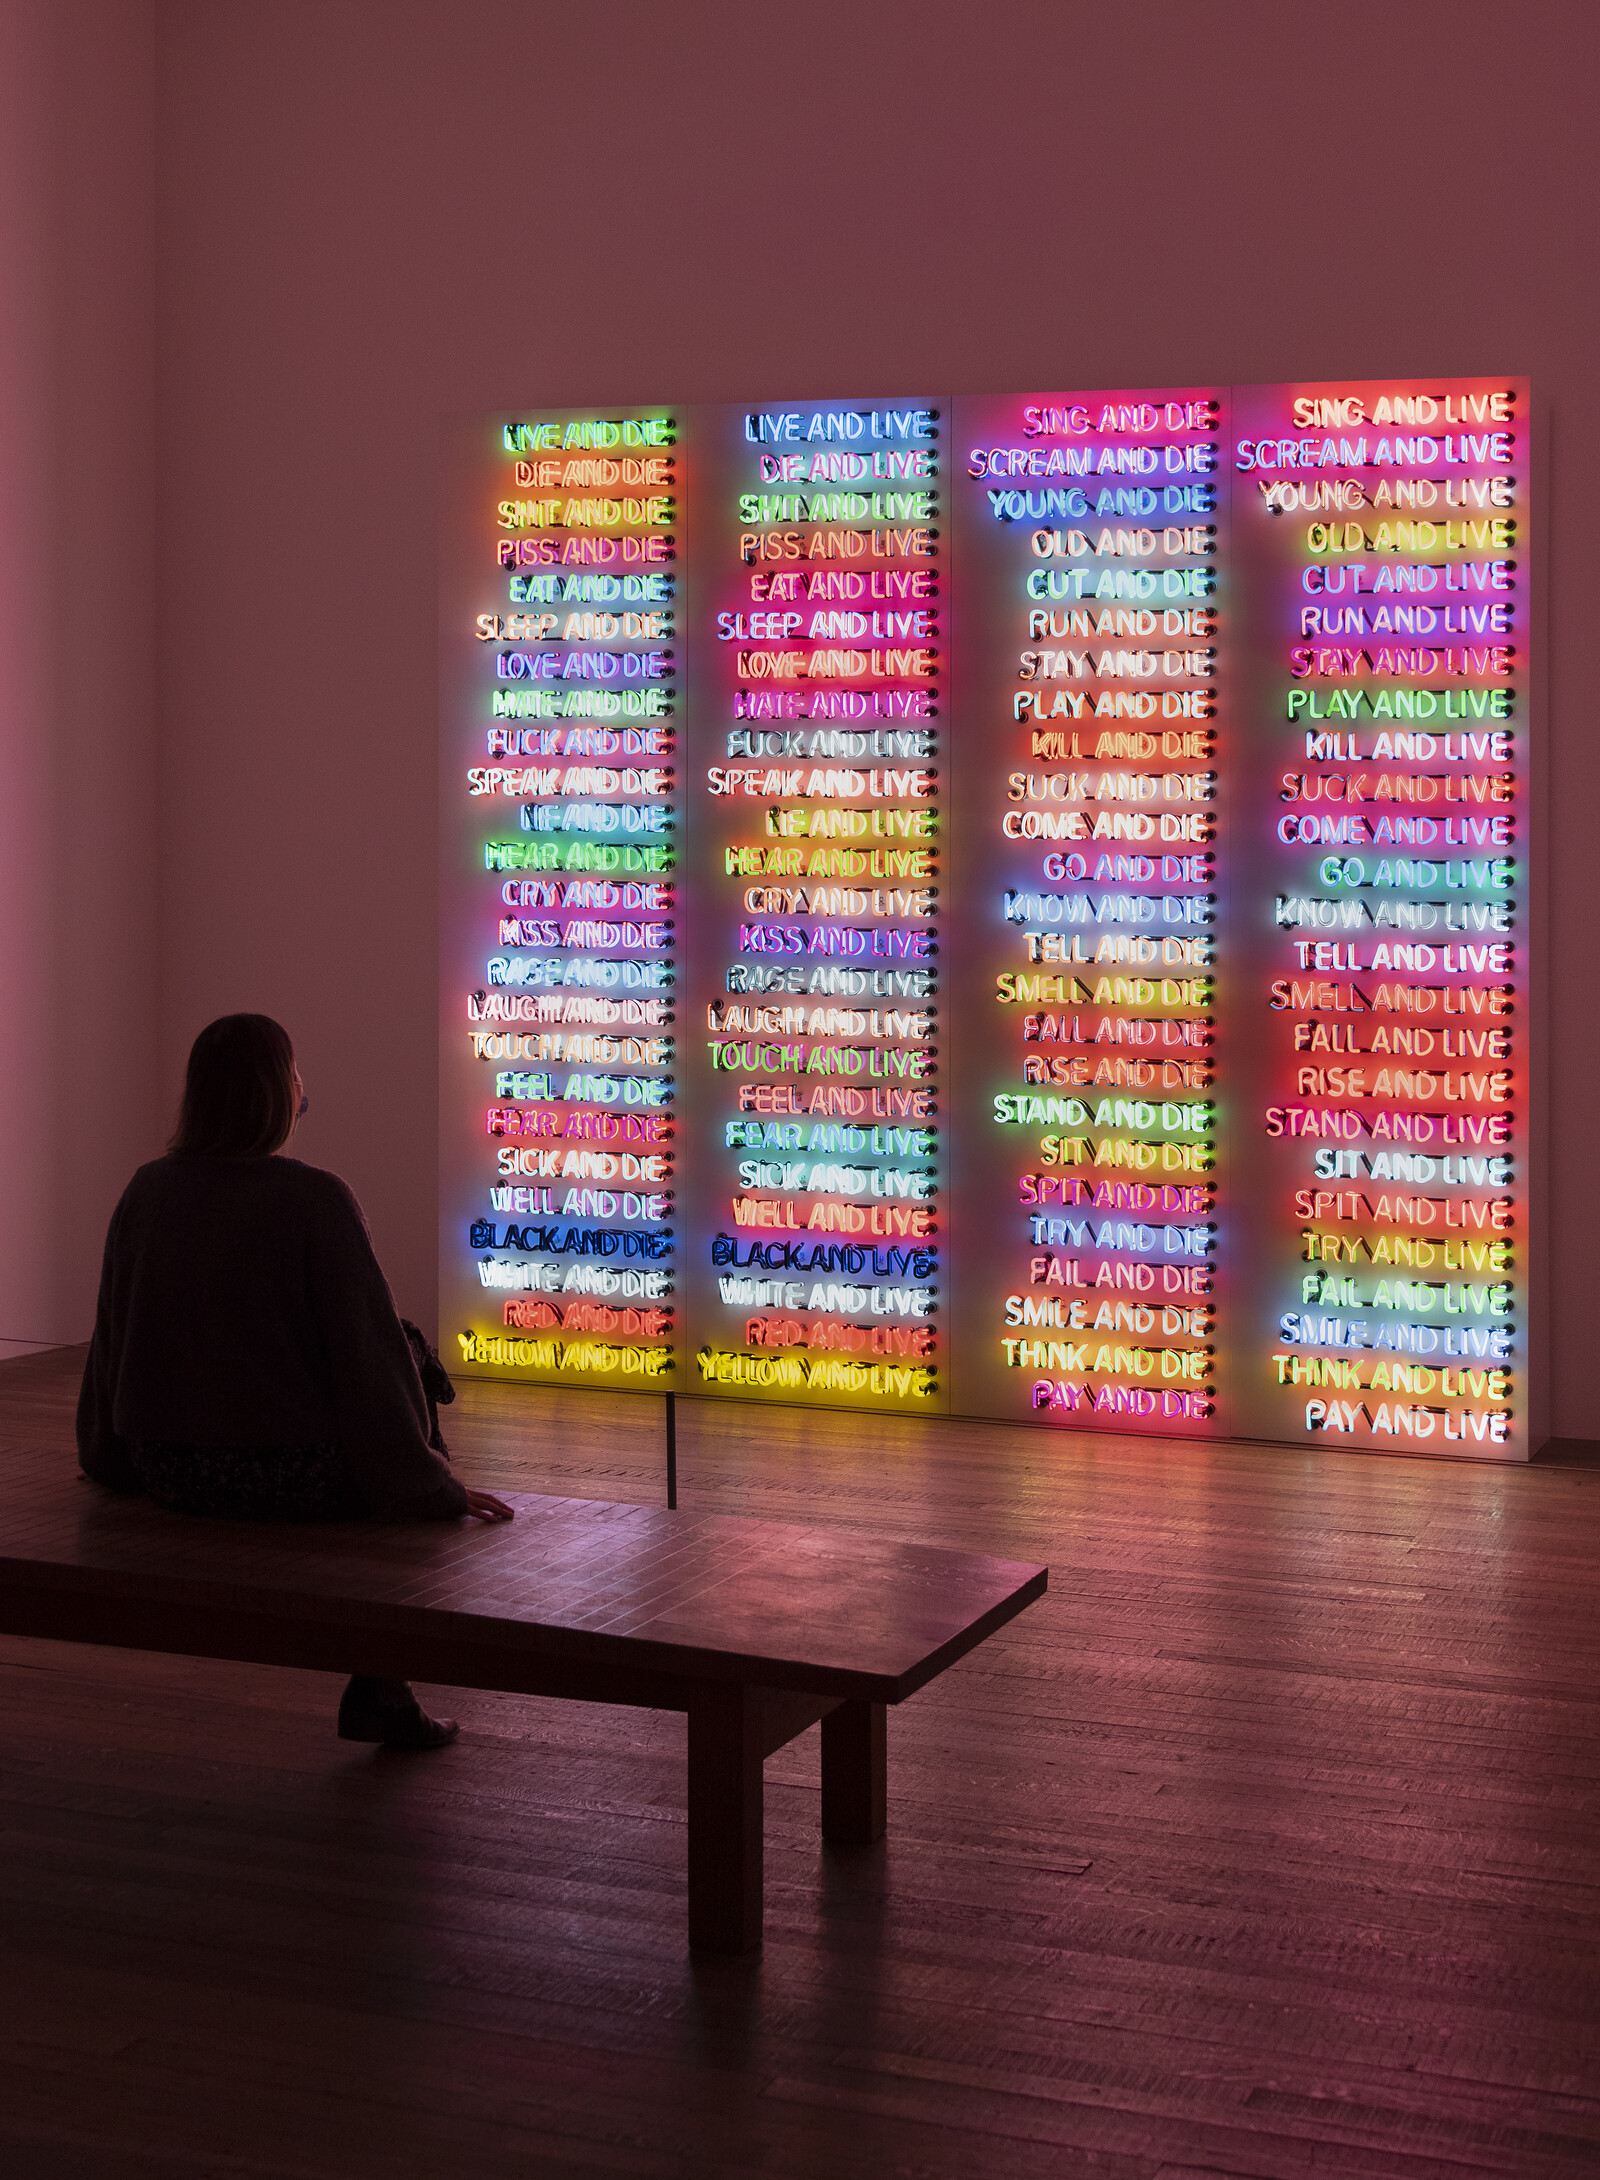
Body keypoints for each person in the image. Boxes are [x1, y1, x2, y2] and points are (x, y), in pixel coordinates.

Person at [76, 1013, 514, 1750]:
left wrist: (109, 1454)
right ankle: (384, 1687)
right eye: (296, 1075)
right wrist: (430, 1485)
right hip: (286, 1472)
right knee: (410, 1353)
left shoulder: (147, 1189)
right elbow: (369, 1363)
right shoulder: (314, 1199)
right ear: (278, 1092)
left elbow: (113, 1337)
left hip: (169, 1464)